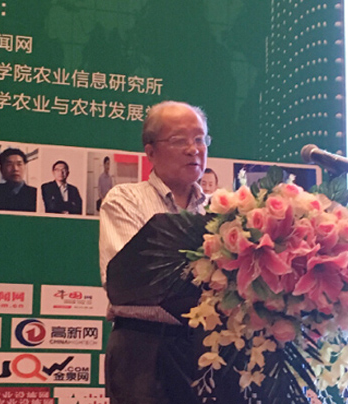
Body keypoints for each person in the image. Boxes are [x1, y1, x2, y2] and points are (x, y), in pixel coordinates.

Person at [99, 101, 211, 404]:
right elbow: (127, 282)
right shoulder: (126, 200)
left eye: (200, 139)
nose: (193, 149)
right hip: (144, 350)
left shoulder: (221, 209)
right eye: (179, 140)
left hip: (209, 347)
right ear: (150, 152)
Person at [0, 148, 37, 212]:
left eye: (19, 164)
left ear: (25, 167)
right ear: (1, 169)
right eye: (9, 165)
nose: (15, 169)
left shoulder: (35, 194)